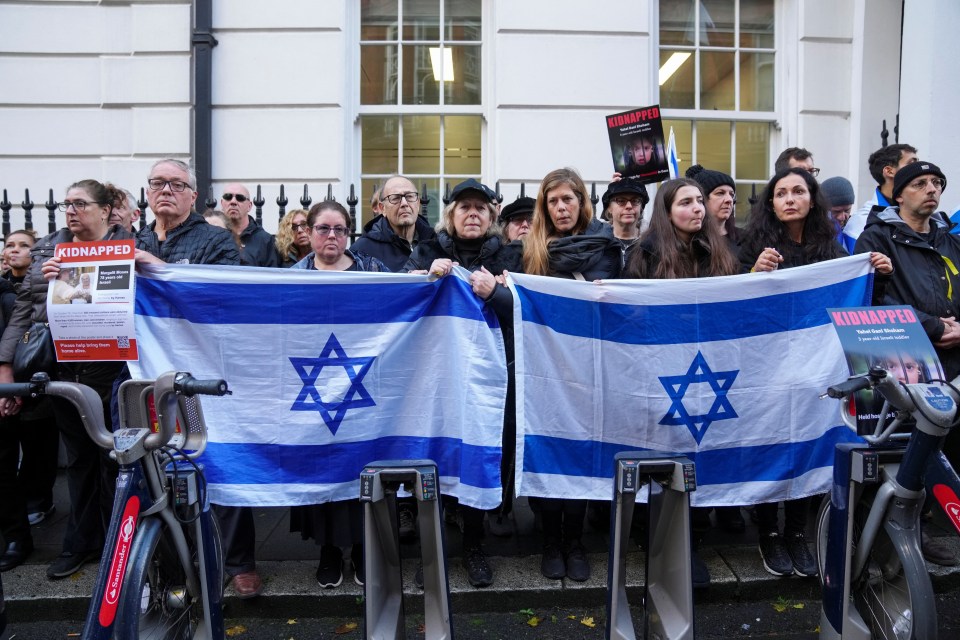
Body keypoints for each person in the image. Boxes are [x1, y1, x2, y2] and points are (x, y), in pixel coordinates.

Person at [740, 167, 892, 579]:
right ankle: (769, 531)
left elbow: (855, 304)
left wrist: (876, 274)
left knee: (811, 439)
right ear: (771, 202)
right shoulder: (750, 247)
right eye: (782, 193)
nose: (790, 199)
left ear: (812, 200)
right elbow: (734, 306)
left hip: (815, 368)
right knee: (773, 440)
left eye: (798, 191)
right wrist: (754, 275)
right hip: (767, 369)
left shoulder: (833, 250)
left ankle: (797, 532)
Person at [0, 180, 136, 580]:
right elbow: (24, 314)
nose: (71, 210)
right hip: (65, 373)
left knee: (116, 462)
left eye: (81, 203)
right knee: (77, 463)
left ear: (106, 210)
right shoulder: (48, 250)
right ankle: (80, 543)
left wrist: (137, 268)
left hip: (116, 376)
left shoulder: (131, 247)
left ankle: (120, 545)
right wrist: (5, 367)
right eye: (67, 203)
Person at [402, 178, 521, 588]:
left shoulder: (511, 256)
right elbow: (400, 302)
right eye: (464, 208)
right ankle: (431, 551)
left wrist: (496, 294)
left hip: (486, 376)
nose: (473, 214)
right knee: (432, 457)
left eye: (481, 209)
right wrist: (423, 278)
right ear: (450, 216)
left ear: (491, 217)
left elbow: (523, 313)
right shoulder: (426, 251)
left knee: (476, 454)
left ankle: (474, 544)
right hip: (433, 376)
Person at [622, 178, 739, 587]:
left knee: (701, 449)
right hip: (661, 370)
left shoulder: (719, 252)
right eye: (686, 202)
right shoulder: (646, 253)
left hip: (707, 368)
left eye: (699, 201)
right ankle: (660, 541)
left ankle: (693, 542)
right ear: (667, 210)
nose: (698, 209)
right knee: (662, 452)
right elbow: (632, 316)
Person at [853, 160, 960, 567]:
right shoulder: (877, 239)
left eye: (937, 182)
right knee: (906, 453)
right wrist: (932, 326)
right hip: (905, 361)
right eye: (920, 183)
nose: (931, 189)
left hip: (953, 360)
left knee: (944, 454)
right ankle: (888, 536)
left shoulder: (952, 242)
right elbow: (871, 302)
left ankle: (922, 529)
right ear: (899, 194)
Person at [523, 168, 620, 583]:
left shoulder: (608, 249)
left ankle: (575, 541)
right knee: (547, 449)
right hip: (544, 370)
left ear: (582, 202)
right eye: (553, 201)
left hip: (590, 368)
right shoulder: (530, 252)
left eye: (568, 199)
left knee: (581, 450)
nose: (561, 207)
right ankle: (550, 541)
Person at [288, 201, 386, 589]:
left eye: (340, 229)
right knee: (322, 467)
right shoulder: (291, 277)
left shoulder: (372, 270)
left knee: (361, 463)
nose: (332, 236)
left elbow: (408, 297)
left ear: (349, 234)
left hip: (359, 384)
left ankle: (363, 548)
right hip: (312, 389)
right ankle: (328, 550)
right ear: (308, 232)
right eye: (324, 228)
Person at [351, 175, 436, 271]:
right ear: (382, 208)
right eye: (395, 198)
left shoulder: (436, 242)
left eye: (409, 196)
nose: (404, 203)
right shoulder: (362, 250)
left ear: (418, 203)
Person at [844, 143, 919, 240]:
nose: (919, 169)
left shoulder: (924, 213)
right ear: (889, 171)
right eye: (911, 164)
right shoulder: (862, 221)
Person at [220, 183, 281, 267]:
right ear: (222, 203)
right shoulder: (214, 236)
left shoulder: (265, 240)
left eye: (240, 198)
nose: (233, 202)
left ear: (249, 206)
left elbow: (272, 276)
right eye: (228, 197)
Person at [685, 164, 740, 247]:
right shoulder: (688, 242)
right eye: (720, 193)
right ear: (701, 199)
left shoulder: (745, 239)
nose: (729, 200)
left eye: (731, 194)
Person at [599, 178, 648, 265]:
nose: (629, 206)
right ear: (609, 208)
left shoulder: (652, 243)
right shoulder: (597, 241)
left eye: (635, 201)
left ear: (641, 208)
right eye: (621, 201)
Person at [820, 176, 857, 252]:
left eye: (847, 210)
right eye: (836, 212)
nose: (842, 217)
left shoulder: (856, 231)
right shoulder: (813, 235)